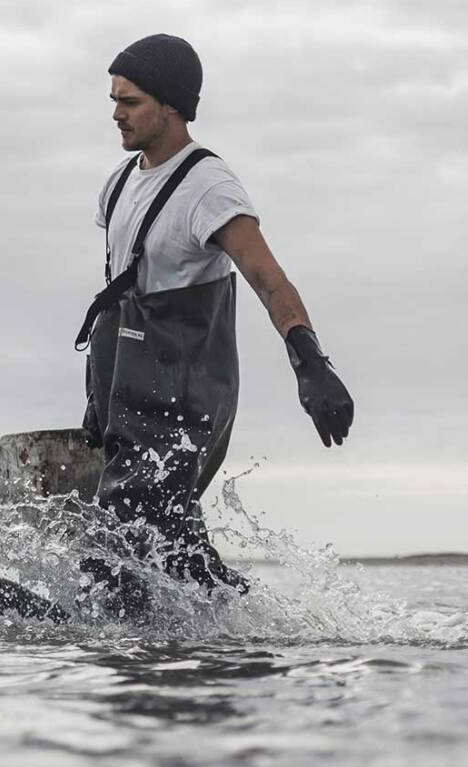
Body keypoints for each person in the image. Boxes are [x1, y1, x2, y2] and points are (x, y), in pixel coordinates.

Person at [75, 34, 356, 615]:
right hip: (127, 394)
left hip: (183, 399)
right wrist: (97, 397)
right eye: (113, 99)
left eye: (129, 102)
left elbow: (268, 278)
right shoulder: (119, 183)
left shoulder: (209, 187)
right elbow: (121, 291)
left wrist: (311, 362)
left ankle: (256, 634)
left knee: (126, 544)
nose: (115, 113)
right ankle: (224, 643)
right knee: (141, 553)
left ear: (172, 106)